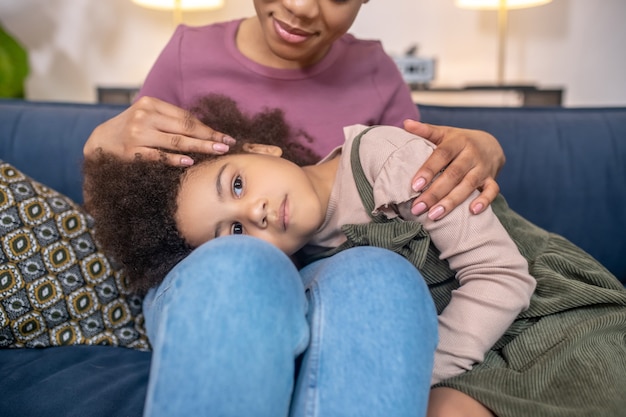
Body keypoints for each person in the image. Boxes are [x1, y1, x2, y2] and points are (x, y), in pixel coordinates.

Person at [84, 94, 626, 417]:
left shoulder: (389, 161)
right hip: (482, 343)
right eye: (235, 230)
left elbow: (502, 276)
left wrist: (417, 367)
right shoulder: (304, 249)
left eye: (240, 183)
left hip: (552, 319)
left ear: (263, 148)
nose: (259, 214)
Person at [83, 1, 505, 415]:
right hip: (202, 269)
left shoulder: (375, 72)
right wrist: (99, 145)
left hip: (323, 264)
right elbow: (125, 209)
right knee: (240, 265)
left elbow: (428, 185)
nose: (301, 7)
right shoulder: (185, 52)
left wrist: (480, 148)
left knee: (380, 275)